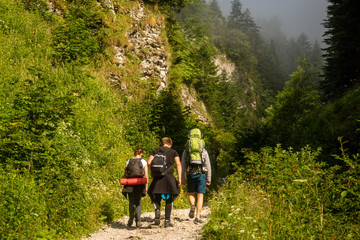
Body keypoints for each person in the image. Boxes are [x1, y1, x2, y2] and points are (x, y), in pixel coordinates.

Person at [147, 137, 182, 228]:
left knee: (155, 195)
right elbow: (178, 164)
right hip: (169, 177)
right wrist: (180, 178)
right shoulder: (173, 152)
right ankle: (167, 221)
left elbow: (149, 162)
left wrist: (152, 173)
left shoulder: (155, 151)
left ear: (163, 143)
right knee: (170, 198)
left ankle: (157, 212)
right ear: (170, 144)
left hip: (157, 177)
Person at [181, 128, 211, 224]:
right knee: (200, 195)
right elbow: (208, 165)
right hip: (201, 174)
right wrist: (209, 178)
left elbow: (183, 165)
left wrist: (182, 178)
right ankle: (197, 217)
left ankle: (192, 205)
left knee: (191, 193)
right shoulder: (203, 150)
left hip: (190, 174)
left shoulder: (187, 151)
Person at [122, 148, 148, 228]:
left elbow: (125, 173)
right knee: (138, 203)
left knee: (131, 202)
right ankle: (138, 221)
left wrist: (125, 183)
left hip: (130, 184)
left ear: (134, 153)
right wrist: (146, 187)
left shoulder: (129, 161)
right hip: (139, 183)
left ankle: (131, 217)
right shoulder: (143, 161)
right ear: (141, 154)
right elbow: (146, 175)